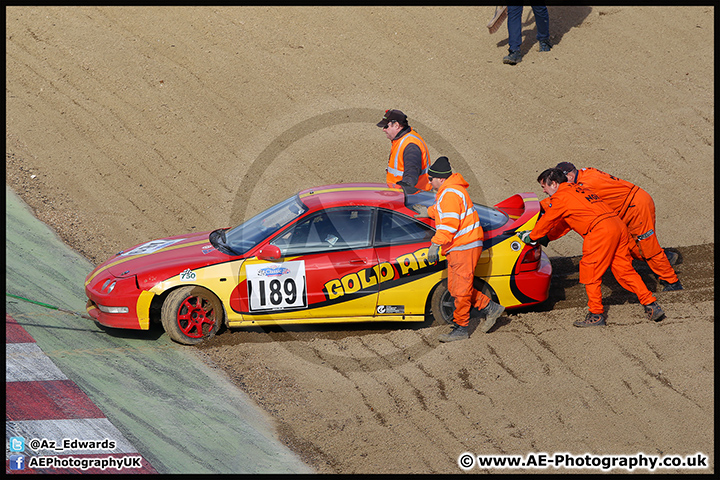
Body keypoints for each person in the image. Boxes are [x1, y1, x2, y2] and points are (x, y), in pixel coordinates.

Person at [517, 168, 665, 327]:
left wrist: (532, 237)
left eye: (544, 186)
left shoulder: (561, 197)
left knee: (590, 272)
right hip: (617, 226)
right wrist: (546, 238)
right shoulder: (579, 189)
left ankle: (596, 315)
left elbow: (548, 220)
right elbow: (564, 223)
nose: (544, 190)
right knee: (624, 270)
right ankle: (651, 304)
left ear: (553, 183)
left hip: (599, 232)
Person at [414, 156, 505, 341]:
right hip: (460, 246)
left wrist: (435, 243)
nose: (428, 182)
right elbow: (444, 211)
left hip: (464, 246)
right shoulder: (449, 191)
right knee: (455, 288)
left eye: (430, 179)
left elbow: (449, 224)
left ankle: (461, 328)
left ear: (440, 179)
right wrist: (429, 212)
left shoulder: (450, 194)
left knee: (462, 290)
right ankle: (491, 308)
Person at [556, 162, 682, 291]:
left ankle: (671, 281)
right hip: (627, 207)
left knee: (648, 246)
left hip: (636, 207)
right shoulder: (586, 173)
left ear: (570, 176)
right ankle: (666, 258)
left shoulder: (586, 184)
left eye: (562, 180)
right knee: (628, 245)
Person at [376, 109, 432, 192]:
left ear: (396, 125)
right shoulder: (401, 140)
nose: (384, 129)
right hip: (405, 194)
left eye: (386, 126)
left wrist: (404, 188)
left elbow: (412, 172)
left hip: (413, 196)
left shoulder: (410, 145)